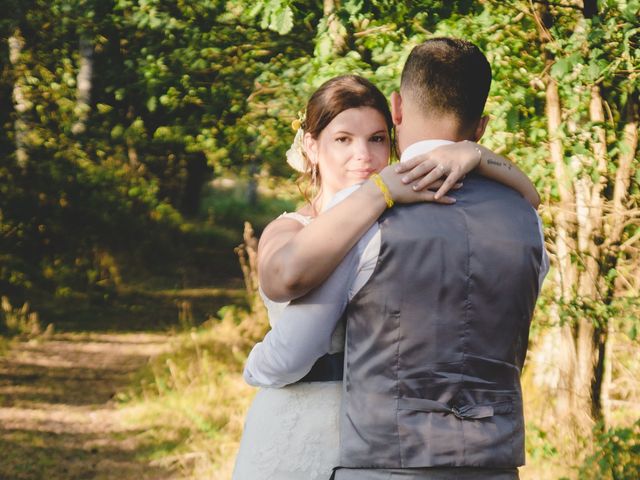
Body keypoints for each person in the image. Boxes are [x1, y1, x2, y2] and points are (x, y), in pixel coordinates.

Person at [233, 68, 543, 479]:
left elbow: (532, 198)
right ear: (311, 146)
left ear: (395, 132)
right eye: (343, 139)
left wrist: (474, 154)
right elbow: (284, 283)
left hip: (377, 441)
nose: (362, 154)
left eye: (376, 139)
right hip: (303, 424)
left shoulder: (399, 219)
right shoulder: (290, 228)